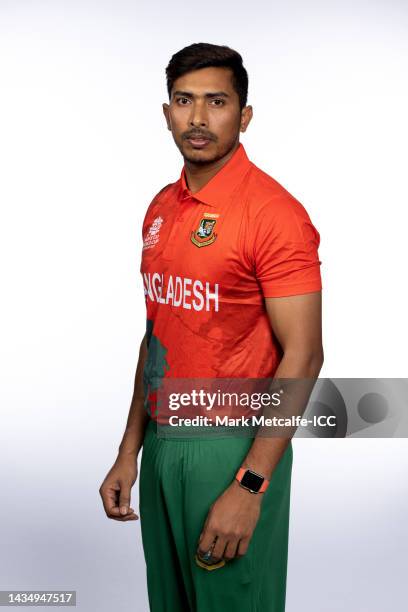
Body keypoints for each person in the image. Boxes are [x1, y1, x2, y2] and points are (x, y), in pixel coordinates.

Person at [99, 42, 324, 611]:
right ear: (167, 111)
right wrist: (130, 451)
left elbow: (304, 356)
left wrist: (251, 485)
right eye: (184, 101)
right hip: (161, 442)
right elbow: (157, 335)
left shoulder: (274, 214)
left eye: (217, 101)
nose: (198, 119)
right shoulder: (161, 208)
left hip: (233, 446)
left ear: (243, 115)